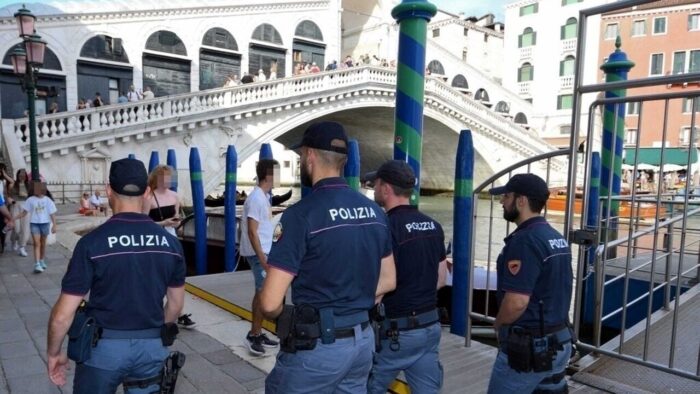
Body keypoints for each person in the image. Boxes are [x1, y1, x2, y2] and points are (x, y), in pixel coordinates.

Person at [260, 121, 396, 393]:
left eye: (300, 156)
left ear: (310, 156)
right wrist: (352, 303)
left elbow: (269, 302)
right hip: (362, 342)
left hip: (318, 348)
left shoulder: (301, 215)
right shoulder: (375, 212)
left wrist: (287, 317)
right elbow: (389, 280)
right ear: (343, 160)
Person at [47, 158, 186, 393]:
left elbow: (62, 316)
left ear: (109, 190)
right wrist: (149, 336)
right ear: (147, 192)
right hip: (151, 347)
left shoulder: (91, 243)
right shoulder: (170, 244)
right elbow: (175, 306)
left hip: (103, 351)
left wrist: (54, 353)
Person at [364, 160, 447, 394]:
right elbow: (441, 279)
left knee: (367, 386)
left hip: (396, 332)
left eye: (376, 184)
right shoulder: (433, 226)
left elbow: (377, 287)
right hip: (430, 328)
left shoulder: (384, 227)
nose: (374, 188)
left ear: (386, 188)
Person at [487, 174, 573, 394]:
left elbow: (517, 302)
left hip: (530, 349)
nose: (502, 202)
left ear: (521, 201)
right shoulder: (555, 237)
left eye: (506, 196)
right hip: (558, 340)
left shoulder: (524, 241)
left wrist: (498, 324)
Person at [142, 165, 196, 329]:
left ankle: (177, 312)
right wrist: (163, 223)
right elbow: (143, 223)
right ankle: (157, 311)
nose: (168, 180)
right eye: (164, 177)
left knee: (174, 275)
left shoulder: (174, 196)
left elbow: (176, 220)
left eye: (169, 177)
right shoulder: (149, 197)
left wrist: (176, 222)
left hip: (171, 238)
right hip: (153, 239)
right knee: (156, 276)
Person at [240, 159, 280, 356]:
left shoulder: (263, 197)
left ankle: (257, 332)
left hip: (264, 251)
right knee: (264, 294)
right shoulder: (257, 198)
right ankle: (253, 335)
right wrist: (263, 259)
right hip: (259, 254)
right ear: (269, 175)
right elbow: (252, 231)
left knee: (260, 293)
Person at [15, 181, 56, 273]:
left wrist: (54, 226)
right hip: (34, 224)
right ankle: (37, 264)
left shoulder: (48, 200)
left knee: (43, 243)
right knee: (36, 243)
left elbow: (52, 214)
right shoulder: (30, 200)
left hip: (45, 224)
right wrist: (14, 218)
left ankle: (41, 260)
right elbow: (24, 212)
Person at [8, 169, 30, 257]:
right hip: (16, 206)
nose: (22, 176)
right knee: (16, 228)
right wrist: (11, 201)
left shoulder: (29, 185)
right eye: (20, 174)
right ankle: (14, 240)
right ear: (17, 175)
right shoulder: (12, 185)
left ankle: (22, 247)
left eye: (24, 174)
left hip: (26, 206)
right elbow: (8, 197)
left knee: (25, 228)